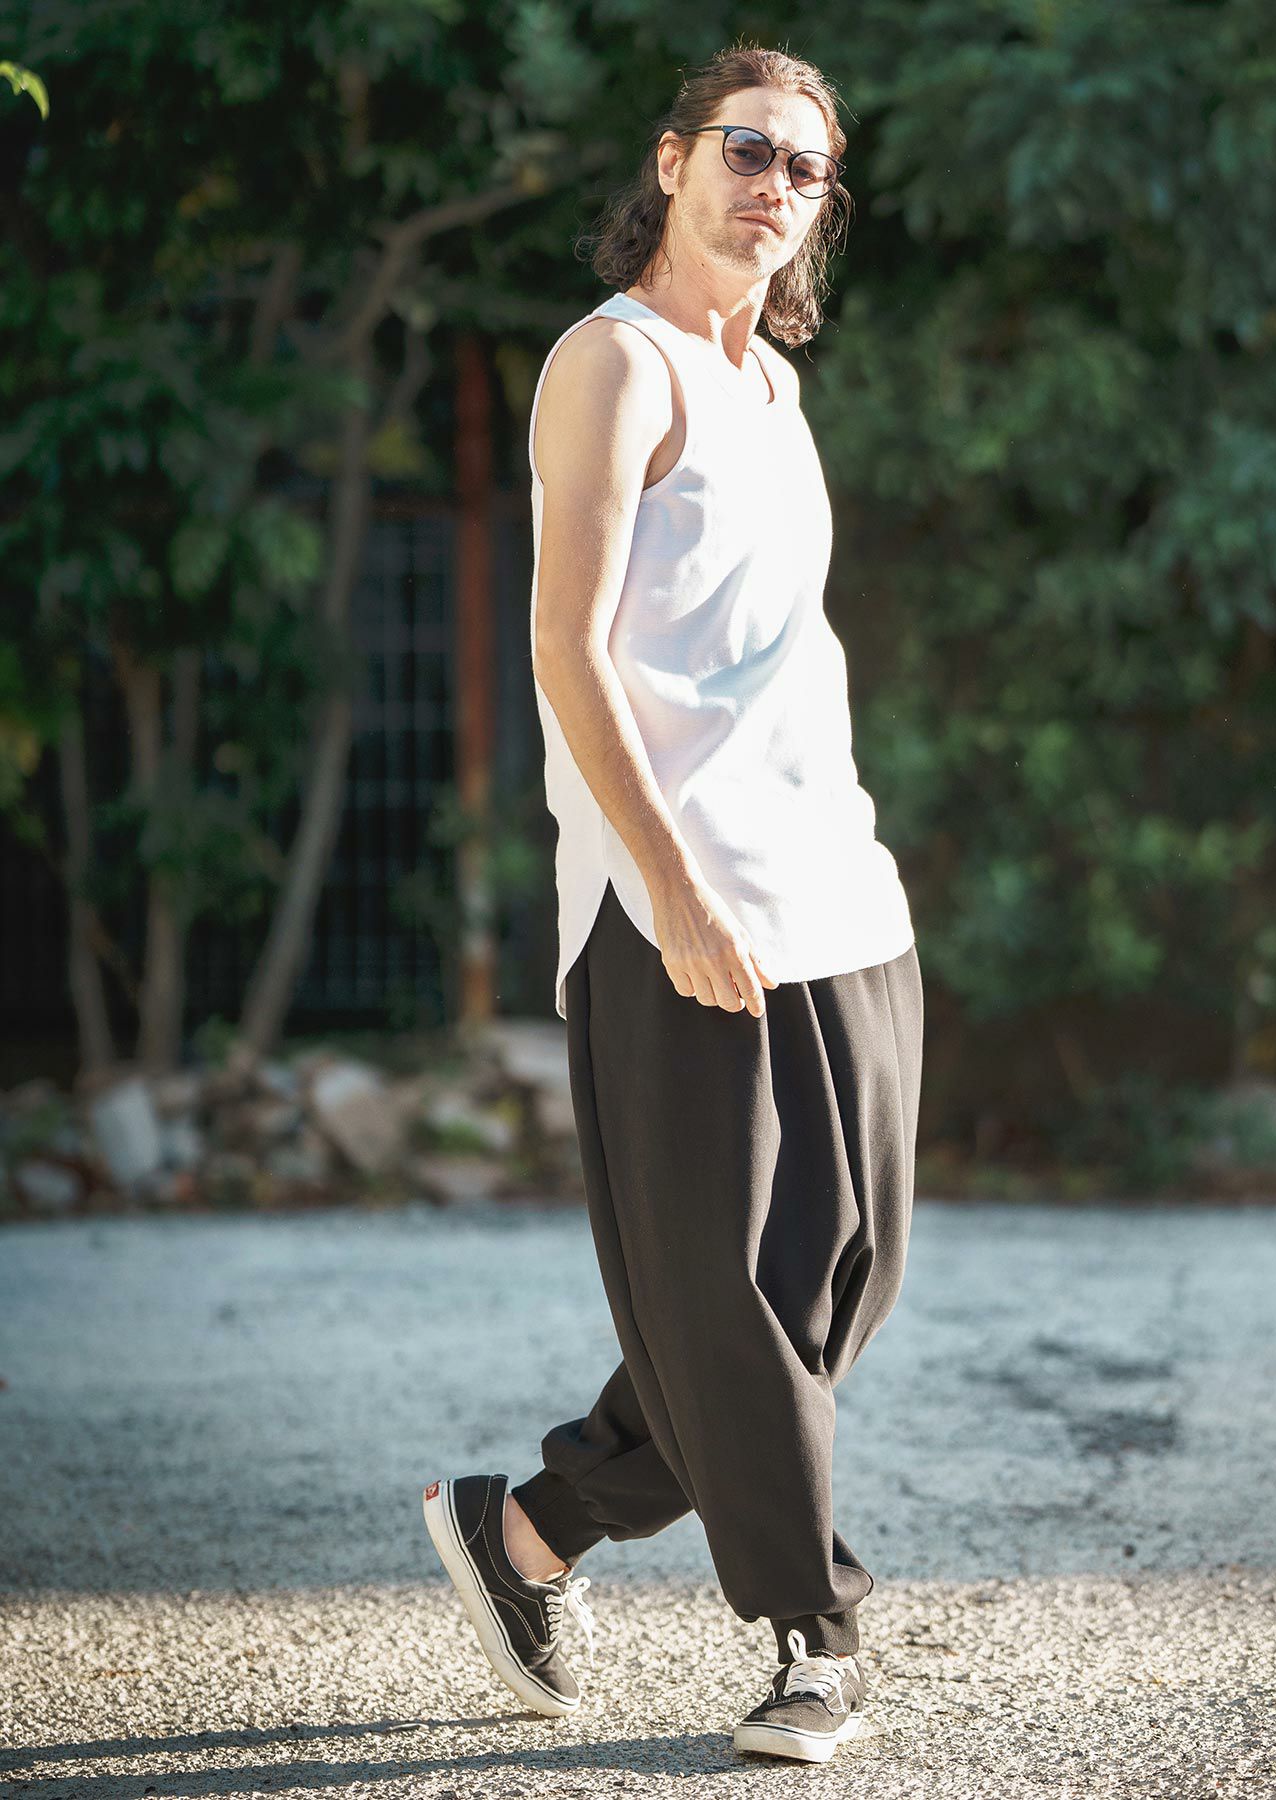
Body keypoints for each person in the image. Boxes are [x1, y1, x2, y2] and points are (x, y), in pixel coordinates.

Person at [423, 41, 923, 1766]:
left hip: (838, 892)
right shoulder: (611, 365)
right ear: (672, 161)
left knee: (842, 1284)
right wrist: (674, 884)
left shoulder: (771, 385)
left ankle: (530, 1530)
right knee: (726, 1295)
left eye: (806, 166)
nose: (775, 183)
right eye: (747, 148)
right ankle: (813, 1636)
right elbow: (567, 652)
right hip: (677, 908)